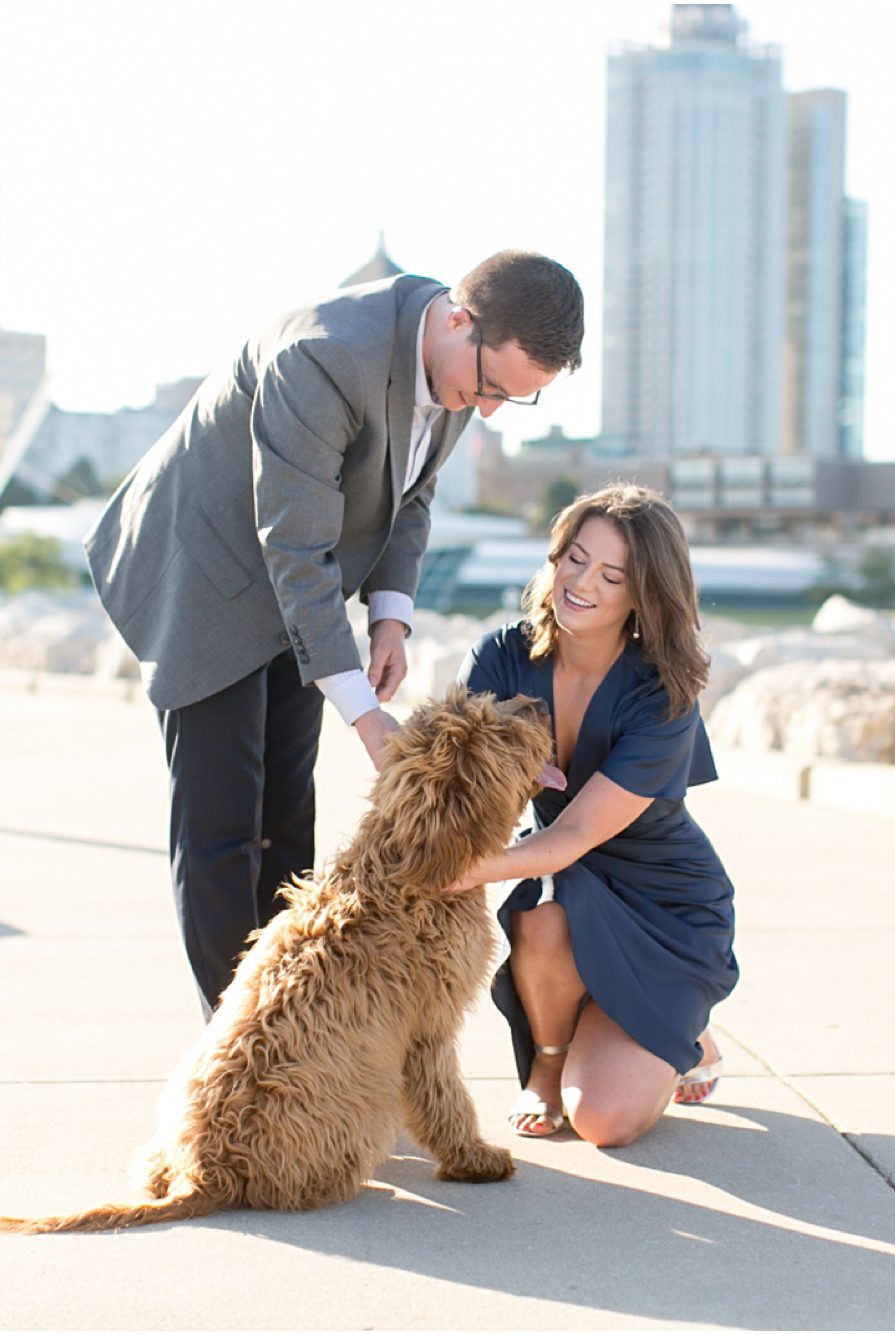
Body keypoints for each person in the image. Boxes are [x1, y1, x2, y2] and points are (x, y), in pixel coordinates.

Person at [85, 252, 585, 1016]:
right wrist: (364, 712)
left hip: (294, 578)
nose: (485, 410)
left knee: (288, 812)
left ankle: (292, 1016)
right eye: (489, 387)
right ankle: (240, 1050)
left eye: (510, 400)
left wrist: (390, 614)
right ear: (459, 320)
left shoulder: (457, 366)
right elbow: (295, 546)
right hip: (205, 572)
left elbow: (410, 497)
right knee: (224, 824)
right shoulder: (324, 357)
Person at [450, 483, 737, 1147]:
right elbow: (453, 775)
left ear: (643, 594)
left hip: (664, 901)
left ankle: (684, 1023)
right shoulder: (499, 657)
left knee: (605, 1123)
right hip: (563, 877)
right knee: (544, 908)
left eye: (611, 576)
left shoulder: (663, 692)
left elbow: (578, 831)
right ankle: (549, 1066)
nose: (580, 584)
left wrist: (464, 870)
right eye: (574, 559)